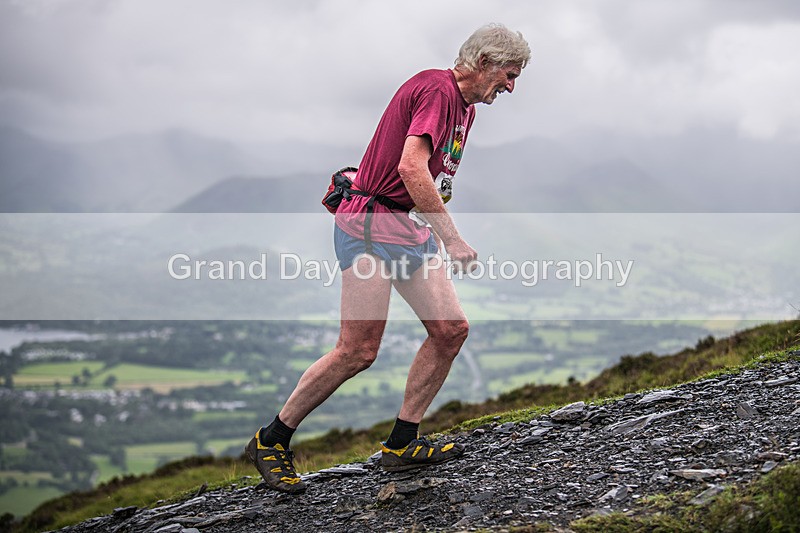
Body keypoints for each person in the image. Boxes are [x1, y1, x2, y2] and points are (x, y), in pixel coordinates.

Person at [246, 23, 531, 493]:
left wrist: (429, 221)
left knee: (450, 330)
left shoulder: (464, 107)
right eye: (508, 73)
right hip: (370, 226)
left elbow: (425, 179)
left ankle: (402, 442)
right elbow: (409, 167)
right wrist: (452, 238)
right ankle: (271, 440)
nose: (510, 86)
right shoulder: (438, 91)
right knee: (357, 350)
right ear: (483, 63)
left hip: (403, 225)